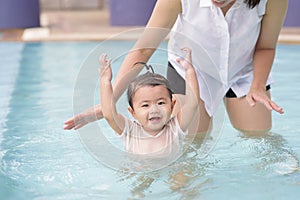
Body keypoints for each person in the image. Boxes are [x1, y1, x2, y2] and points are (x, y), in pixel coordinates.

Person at [64, 0, 287, 136]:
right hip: (190, 71)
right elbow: (144, 48)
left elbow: (266, 47)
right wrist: (109, 103)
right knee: (188, 148)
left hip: (244, 72)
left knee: (260, 138)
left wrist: (258, 86)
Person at [99, 47, 199, 155]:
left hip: (173, 171)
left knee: (182, 171)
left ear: (172, 105)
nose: (154, 109)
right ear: (133, 112)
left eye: (161, 103)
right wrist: (105, 80)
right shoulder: (130, 132)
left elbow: (192, 104)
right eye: (145, 105)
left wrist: (189, 71)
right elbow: (109, 115)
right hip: (139, 171)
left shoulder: (175, 129)